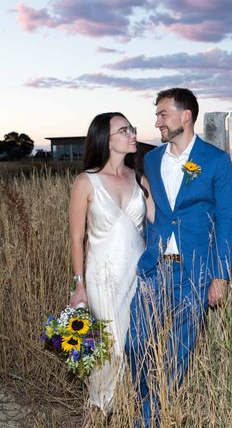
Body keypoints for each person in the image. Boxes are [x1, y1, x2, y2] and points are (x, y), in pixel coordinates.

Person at [126, 87, 232, 426]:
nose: (157, 121)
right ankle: (147, 406)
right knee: (136, 344)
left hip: (196, 273)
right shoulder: (152, 159)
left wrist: (220, 275)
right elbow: (156, 210)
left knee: (178, 355)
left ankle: (151, 421)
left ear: (185, 116)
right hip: (155, 268)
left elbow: (227, 220)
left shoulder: (215, 160)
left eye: (162, 113)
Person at [69, 112, 152, 412]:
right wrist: (79, 286)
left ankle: (123, 412)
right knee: (109, 353)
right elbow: (77, 237)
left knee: (132, 349)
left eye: (132, 128)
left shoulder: (139, 177)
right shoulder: (86, 181)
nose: (132, 134)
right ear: (107, 139)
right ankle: (97, 413)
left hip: (137, 278)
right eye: (124, 130)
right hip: (103, 280)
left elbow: (158, 218)